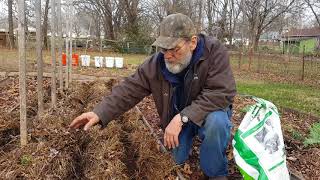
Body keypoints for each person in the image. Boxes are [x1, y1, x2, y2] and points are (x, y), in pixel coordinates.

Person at [69, 13, 236, 180]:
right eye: (164, 49)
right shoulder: (156, 64)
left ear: (192, 42)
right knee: (173, 161)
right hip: (178, 117)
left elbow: (221, 92)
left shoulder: (213, 52)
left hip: (205, 114)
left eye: (174, 49)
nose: (168, 56)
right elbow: (129, 89)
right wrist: (99, 113)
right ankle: (185, 144)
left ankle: (215, 173)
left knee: (217, 122)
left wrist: (183, 118)